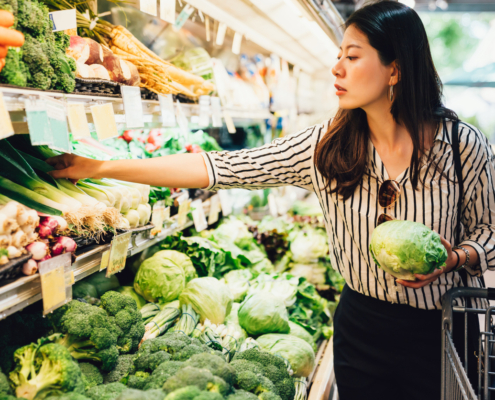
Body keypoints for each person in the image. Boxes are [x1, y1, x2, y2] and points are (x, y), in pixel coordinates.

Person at [47, 1, 495, 399]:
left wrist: (454, 257)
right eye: (338, 55)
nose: (337, 68)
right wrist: (97, 168)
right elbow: (219, 167)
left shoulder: (461, 147)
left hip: (440, 330)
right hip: (362, 325)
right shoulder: (327, 147)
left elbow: (490, 231)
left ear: (395, 69)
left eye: (352, 57)